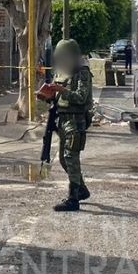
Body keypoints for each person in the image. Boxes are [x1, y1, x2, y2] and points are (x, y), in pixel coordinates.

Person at [45, 38, 93, 212]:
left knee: (71, 158)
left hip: (76, 120)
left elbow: (81, 97)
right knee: (64, 160)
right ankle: (82, 189)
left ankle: (73, 199)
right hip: (63, 118)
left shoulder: (82, 72)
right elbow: (58, 95)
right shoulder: (62, 71)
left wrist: (62, 91)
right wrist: (48, 94)